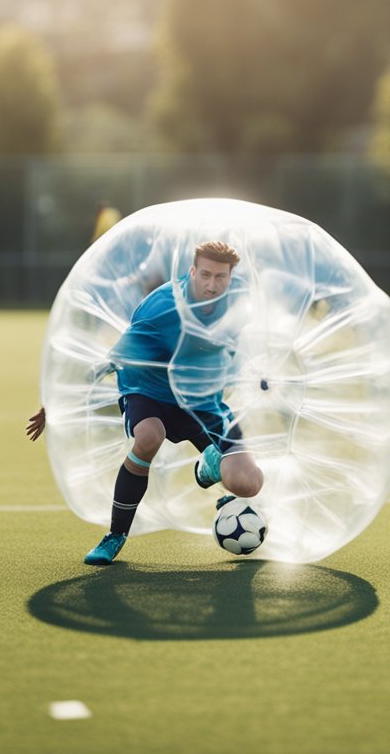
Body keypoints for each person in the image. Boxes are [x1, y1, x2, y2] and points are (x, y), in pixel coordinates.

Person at [29, 240, 264, 566]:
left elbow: (254, 345)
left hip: (201, 398)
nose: (212, 285)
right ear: (192, 271)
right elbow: (109, 362)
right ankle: (115, 536)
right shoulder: (164, 307)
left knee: (248, 483)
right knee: (148, 437)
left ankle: (210, 465)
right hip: (148, 390)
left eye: (220, 277)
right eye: (205, 275)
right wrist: (53, 402)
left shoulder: (240, 303)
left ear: (231, 277)